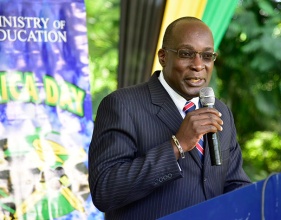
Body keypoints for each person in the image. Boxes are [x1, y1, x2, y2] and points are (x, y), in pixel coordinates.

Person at [88, 16, 251, 220]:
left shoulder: (219, 110)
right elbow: (105, 191)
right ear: (163, 57)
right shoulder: (123, 105)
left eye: (207, 56)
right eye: (186, 54)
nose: (198, 65)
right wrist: (177, 145)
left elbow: (234, 184)